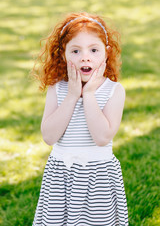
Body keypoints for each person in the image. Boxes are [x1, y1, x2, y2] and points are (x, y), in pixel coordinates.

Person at [32, 12, 128, 226]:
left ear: (106, 53)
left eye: (94, 50)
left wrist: (89, 95)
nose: (85, 57)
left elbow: (102, 137)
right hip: (61, 177)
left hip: (97, 177)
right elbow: (49, 136)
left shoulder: (113, 90)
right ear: (64, 55)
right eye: (76, 51)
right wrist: (73, 95)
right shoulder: (58, 89)